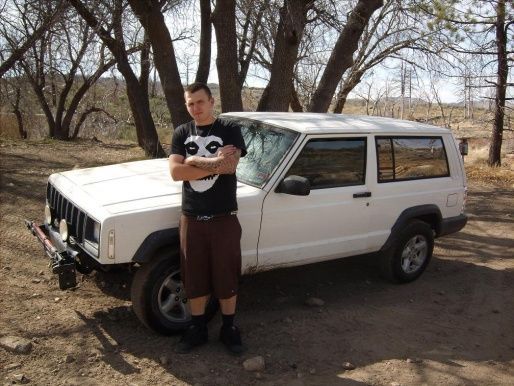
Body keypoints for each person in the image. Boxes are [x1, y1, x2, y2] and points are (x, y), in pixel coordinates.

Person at [169, 82, 247, 354]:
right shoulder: (182, 132)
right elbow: (176, 173)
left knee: (226, 275)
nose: (195, 108)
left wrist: (193, 161)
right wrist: (213, 161)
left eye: (200, 102)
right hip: (191, 218)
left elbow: (230, 166)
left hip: (223, 217)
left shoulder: (230, 130)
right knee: (195, 276)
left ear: (212, 101)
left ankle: (229, 327)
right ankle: (198, 327)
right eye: (190, 104)